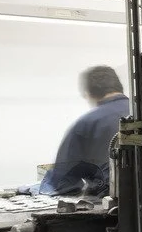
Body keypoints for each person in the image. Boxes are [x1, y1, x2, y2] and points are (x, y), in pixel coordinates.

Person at [42, 66, 129, 195]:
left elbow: (63, 182)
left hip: (110, 207)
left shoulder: (86, 124)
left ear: (89, 94)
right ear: (120, 88)